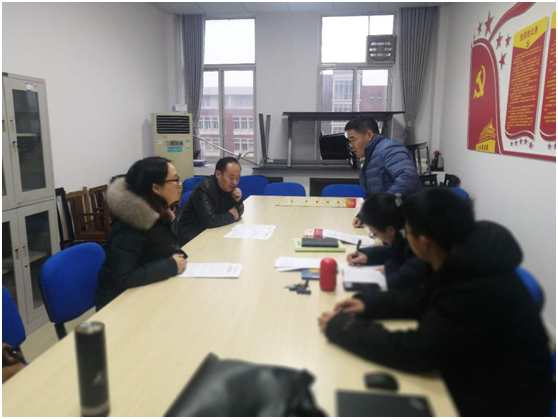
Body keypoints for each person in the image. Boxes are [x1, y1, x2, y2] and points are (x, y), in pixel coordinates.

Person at [319, 187, 553, 417]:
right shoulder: (463, 254)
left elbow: (418, 352)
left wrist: (344, 327)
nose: (405, 240)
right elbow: (425, 296)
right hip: (490, 376)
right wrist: (370, 304)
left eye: (407, 233)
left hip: (503, 402)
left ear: (424, 242)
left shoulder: (470, 287)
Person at [95, 157, 187, 310]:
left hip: (148, 290)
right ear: (156, 187)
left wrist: (177, 254)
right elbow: (123, 277)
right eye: (175, 179)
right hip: (119, 304)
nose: (180, 184)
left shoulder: (158, 212)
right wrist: (171, 265)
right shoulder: (131, 224)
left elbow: (163, 243)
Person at [345, 115, 422, 228]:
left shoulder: (390, 148)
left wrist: (380, 207)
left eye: (353, 139)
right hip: (390, 220)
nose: (351, 145)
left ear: (369, 135)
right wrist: (363, 215)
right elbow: (375, 195)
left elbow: (408, 178)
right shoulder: (371, 156)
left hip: (407, 223)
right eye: (349, 141)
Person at [347, 192, 429, 290]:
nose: (376, 237)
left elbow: (396, 282)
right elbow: (397, 248)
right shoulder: (406, 226)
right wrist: (367, 255)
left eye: (374, 234)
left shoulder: (419, 243)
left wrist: (388, 267)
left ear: (390, 230)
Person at [178, 157, 244, 246]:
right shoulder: (204, 189)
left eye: (237, 178)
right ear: (218, 174)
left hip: (213, 233)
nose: (235, 182)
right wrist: (231, 216)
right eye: (231, 177)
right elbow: (209, 221)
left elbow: (238, 212)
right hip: (192, 238)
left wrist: (238, 201)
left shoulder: (228, 188)